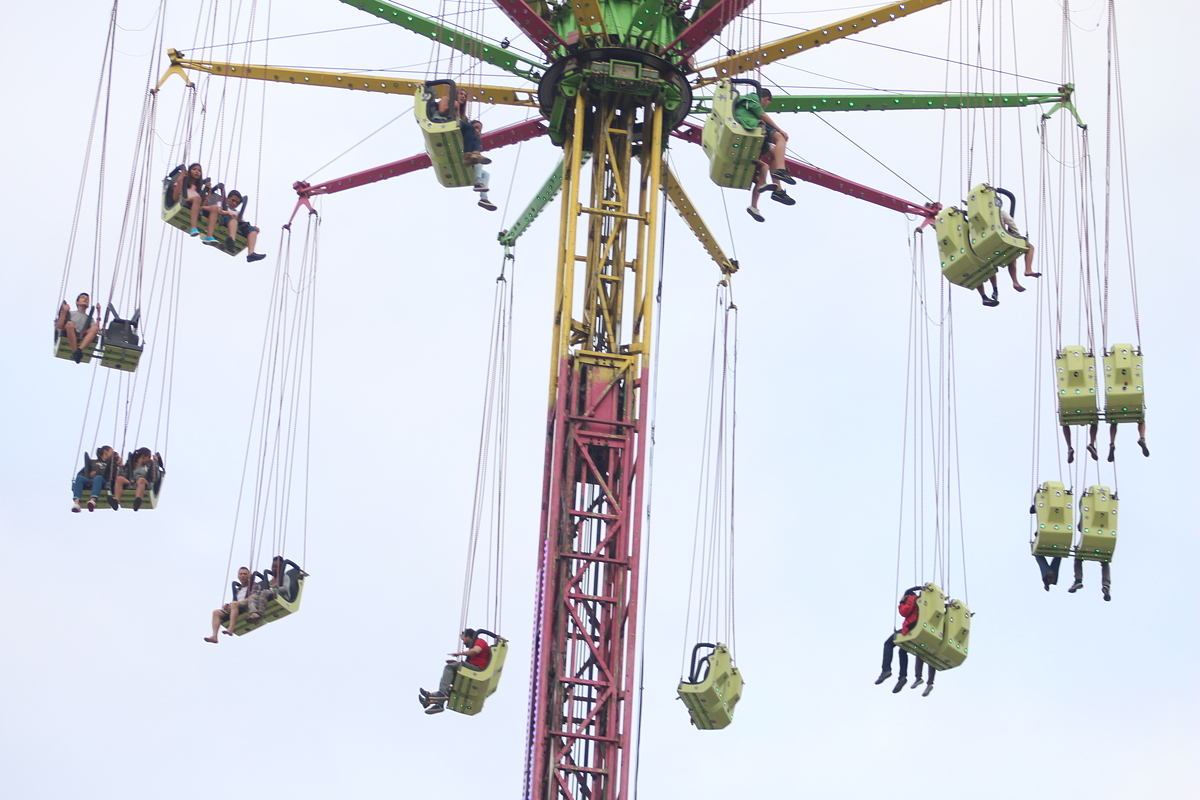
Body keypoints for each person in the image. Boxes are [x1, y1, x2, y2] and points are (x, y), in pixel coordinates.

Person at [733, 88, 795, 208]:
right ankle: (781, 170)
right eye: (767, 104)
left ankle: (778, 191)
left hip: (750, 133)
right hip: (751, 125)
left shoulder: (744, 103)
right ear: (766, 99)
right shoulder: (753, 98)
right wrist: (779, 129)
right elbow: (762, 114)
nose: (765, 106)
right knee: (780, 138)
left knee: (773, 154)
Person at [976, 204, 1039, 307]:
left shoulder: (976, 216)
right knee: (1029, 247)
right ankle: (1026, 271)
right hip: (999, 239)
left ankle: (998, 290)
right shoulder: (998, 211)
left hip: (983, 244)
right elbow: (1010, 221)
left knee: (994, 265)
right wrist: (1018, 235)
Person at [418, 629, 492, 714]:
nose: (463, 643)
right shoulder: (473, 648)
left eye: (463, 639)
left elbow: (476, 651)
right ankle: (433, 701)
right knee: (453, 684)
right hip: (474, 670)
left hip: (478, 669)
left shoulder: (479, 641)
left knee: (449, 668)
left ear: (468, 637)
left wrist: (460, 654)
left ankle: (441, 694)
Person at [875, 586, 922, 693]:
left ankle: (886, 670)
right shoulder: (921, 601)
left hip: (910, 627)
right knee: (902, 650)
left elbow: (904, 612)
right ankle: (902, 677)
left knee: (888, 644)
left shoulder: (911, 598)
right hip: (916, 627)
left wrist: (902, 602)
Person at [200, 189, 266, 263]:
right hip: (224, 219)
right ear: (227, 199)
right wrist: (229, 213)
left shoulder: (237, 212)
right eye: (233, 200)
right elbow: (218, 210)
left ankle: (251, 254)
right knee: (233, 220)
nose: (234, 203)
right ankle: (231, 240)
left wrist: (253, 228)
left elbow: (242, 221)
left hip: (237, 223)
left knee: (252, 230)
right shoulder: (222, 204)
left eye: (237, 202)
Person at [437, 88, 491, 166]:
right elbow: (441, 111)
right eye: (461, 94)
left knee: (476, 138)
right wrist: (453, 106)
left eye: (465, 96)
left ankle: (475, 154)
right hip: (445, 122)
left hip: (454, 126)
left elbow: (465, 124)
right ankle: (467, 156)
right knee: (470, 128)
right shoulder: (446, 99)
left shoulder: (461, 114)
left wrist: (475, 133)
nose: (463, 97)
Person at [244, 556, 307, 622]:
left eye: (276, 567)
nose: (274, 569)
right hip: (268, 594)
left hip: (282, 596)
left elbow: (285, 588)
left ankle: (260, 613)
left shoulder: (284, 577)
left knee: (264, 592)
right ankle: (254, 613)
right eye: (273, 567)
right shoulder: (271, 580)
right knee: (253, 597)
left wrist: (274, 590)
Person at [204, 567, 259, 643]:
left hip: (247, 606)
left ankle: (231, 628)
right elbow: (235, 601)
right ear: (238, 576)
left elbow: (253, 597)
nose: (243, 576)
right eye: (241, 574)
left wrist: (235, 604)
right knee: (216, 612)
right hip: (236, 607)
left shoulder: (254, 585)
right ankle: (214, 636)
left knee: (234, 604)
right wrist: (228, 606)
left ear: (249, 575)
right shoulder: (238, 589)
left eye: (245, 574)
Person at [71, 446, 120, 512]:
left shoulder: (111, 465)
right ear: (105, 452)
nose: (113, 453)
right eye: (111, 452)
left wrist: (115, 462)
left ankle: (93, 500)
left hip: (103, 482)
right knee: (79, 478)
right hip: (90, 481)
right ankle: (76, 503)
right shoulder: (93, 462)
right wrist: (89, 474)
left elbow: (114, 476)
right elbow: (81, 473)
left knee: (98, 478)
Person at [55, 292, 100, 363]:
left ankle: (79, 350)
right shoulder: (70, 314)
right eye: (82, 297)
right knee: (70, 324)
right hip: (70, 331)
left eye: (87, 299)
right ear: (77, 302)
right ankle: (75, 351)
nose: (85, 299)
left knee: (94, 328)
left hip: (83, 333)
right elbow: (59, 327)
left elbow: (97, 330)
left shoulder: (89, 319)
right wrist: (64, 312)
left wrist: (98, 313)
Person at [171, 163, 210, 236]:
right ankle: (193, 227)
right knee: (197, 198)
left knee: (214, 208)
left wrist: (209, 193)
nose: (197, 171)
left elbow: (201, 205)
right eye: (194, 169)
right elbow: (175, 198)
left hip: (195, 204)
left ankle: (209, 234)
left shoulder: (198, 190)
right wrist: (180, 178)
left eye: (199, 170)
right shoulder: (183, 184)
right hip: (185, 201)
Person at [470, 121, 497, 211]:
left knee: (486, 174)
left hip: (470, 162)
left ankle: (484, 199)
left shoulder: (476, 140)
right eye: (475, 127)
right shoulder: (468, 137)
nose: (477, 130)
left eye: (479, 129)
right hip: (465, 159)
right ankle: (478, 182)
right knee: (478, 161)